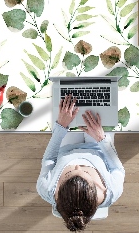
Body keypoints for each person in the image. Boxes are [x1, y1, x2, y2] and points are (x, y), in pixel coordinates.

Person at [37, 94, 125, 231]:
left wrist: (61, 126)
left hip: (66, 148)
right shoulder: (113, 191)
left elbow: (49, 159)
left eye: (69, 173)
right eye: (85, 172)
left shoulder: (46, 189)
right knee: (102, 105)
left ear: (58, 191)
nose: (77, 165)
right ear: (97, 189)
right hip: (98, 147)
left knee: (65, 109)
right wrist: (101, 138)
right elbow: (117, 169)